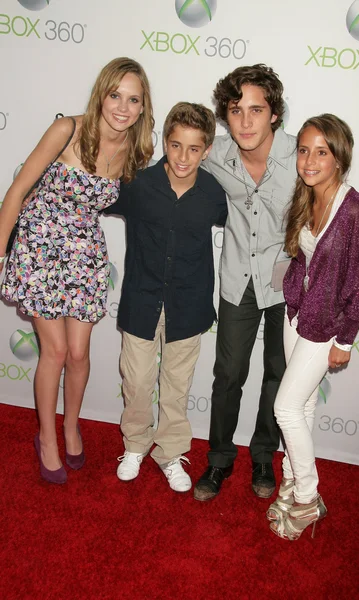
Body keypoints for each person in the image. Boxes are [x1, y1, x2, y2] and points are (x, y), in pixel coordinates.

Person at [0, 57, 154, 484]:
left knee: (81, 353)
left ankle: (71, 425)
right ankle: (46, 437)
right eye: (115, 95)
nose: (122, 107)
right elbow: (17, 190)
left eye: (133, 100)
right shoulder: (67, 129)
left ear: (143, 108)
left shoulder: (135, 150)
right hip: (40, 246)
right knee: (56, 352)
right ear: (101, 93)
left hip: (85, 251)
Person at [105, 102, 227, 492]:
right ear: (164, 142)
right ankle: (136, 445)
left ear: (207, 149)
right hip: (141, 299)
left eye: (194, 149)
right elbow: (91, 195)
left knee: (177, 386)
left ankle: (170, 452)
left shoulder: (214, 193)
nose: (183, 157)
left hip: (189, 305)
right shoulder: (138, 184)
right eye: (176, 146)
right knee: (137, 381)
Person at [267, 114, 359, 540]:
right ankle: (293, 480)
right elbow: (303, 258)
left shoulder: (354, 211)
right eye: (303, 150)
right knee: (305, 406)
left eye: (321, 152)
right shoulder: (307, 194)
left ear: (339, 156)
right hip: (298, 310)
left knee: (285, 408)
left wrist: (345, 340)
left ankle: (308, 498)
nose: (309, 161)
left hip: (326, 324)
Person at [194, 64, 297, 501]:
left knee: (278, 375)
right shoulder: (215, 153)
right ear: (225, 115)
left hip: (289, 284)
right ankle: (219, 459)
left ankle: (262, 454)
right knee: (228, 374)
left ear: (275, 113)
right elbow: (171, 161)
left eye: (257, 110)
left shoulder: (301, 154)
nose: (246, 121)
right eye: (236, 111)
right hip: (238, 280)